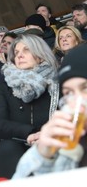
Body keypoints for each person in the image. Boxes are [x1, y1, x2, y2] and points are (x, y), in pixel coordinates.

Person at [0, 34, 59, 179]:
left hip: (53, 143)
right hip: (18, 145)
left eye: (26, 50)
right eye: (16, 53)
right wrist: (30, 133)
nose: (19, 55)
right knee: (7, 148)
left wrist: (46, 135)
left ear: (40, 55)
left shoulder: (57, 83)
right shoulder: (5, 85)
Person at [13, 43, 87, 178]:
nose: (77, 100)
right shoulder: (69, 147)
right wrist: (42, 154)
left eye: (85, 88)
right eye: (69, 93)